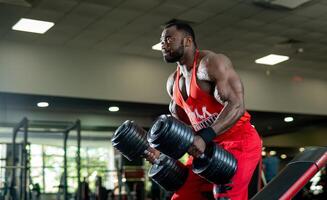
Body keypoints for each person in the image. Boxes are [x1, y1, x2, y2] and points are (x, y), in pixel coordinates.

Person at [146, 20, 262, 200]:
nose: (163, 44)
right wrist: (161, 150)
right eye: (161, 41)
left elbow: (237, 105)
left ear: (188, 41)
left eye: (169, 39)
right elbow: (185, 131)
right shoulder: (172, 84)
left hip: (239, 142)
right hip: (205, 147)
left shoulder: (211, 64)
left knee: (226, 196)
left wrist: (204, 137)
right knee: (182, 196)